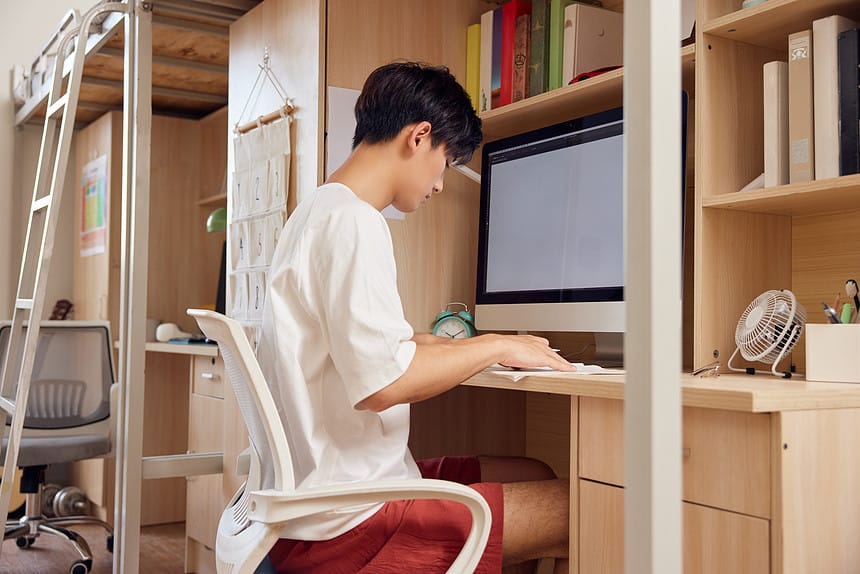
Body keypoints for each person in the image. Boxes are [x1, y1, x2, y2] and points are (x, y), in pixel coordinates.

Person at [256, 61, 574, 574]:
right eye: (446, 162)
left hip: (321, 498)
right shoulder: (356, 222)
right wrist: (496, 346)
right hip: (350, 525)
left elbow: (368, 349)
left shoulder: (320, 211)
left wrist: (450, 344)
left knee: (531, 469)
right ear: (419, 137)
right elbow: (384, 384)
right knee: (581, 506)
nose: (441, 185)